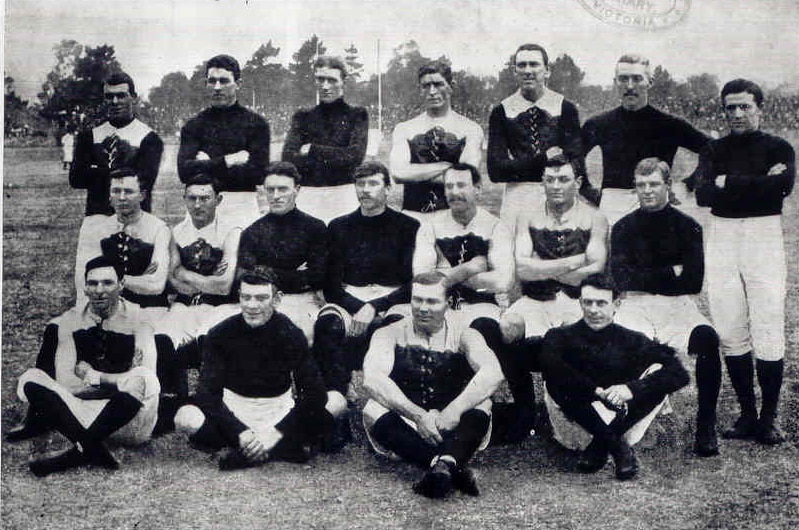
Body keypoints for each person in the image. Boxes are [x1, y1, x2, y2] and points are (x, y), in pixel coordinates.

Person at [695, 79, 795, 446]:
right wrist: (752, 183)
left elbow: (782, 187)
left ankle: (769, 418)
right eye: (730, 108)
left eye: (745, 107)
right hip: (722, 236)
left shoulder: (778, 147)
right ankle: (747, 413)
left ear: (760, 107)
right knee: (729, 323)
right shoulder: (713, 149)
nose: (737, 114)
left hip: (762, 236)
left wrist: (728, 183)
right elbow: (703, 194)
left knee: (767, 320)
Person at [174, 268, 345, 470]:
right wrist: (241, 432)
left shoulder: (291, 333)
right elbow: (207, 394)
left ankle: (252, 451)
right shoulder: (221, 333)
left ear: (277, 299)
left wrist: (275, 432)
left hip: (278, 412)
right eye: (246, 297)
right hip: (234, 413)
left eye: (261, 298)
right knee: (185, 417)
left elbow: (315, 394)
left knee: (337, 401)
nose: (251, 305)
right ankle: (279, 449)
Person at [7, 257, 160, 477]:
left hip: (131, 422)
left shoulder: (140, 320)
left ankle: (78, 451)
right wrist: (118, 383)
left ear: (121, 284)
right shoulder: (69, 321)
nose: (99, 290)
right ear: (85, 287)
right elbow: (67, 384)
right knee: (30, 379)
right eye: (93, 283)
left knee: (144, 376)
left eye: (107, 283)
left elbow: (146, 383)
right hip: (83, 415)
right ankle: (90, 448)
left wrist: (93, 376)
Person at [611, 157, 722, 456]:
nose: (647, 191)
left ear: (668, 185)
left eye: (654, 184)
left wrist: (645, 275)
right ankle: (626, 420)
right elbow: (620, 278)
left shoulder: (689, 227)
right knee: (624, 346)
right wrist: (668, 272)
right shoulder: (622, 227)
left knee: (708, 339)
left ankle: (705, 423)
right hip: (635, 304)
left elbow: (692, 283)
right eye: (641, 185)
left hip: (677, 306)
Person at [362, 271, 504, 498]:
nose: (423, 308)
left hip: (451, 421)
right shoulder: (388, 333)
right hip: (408, 418)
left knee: (483, 401)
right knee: (373, 407)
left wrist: (454, 410)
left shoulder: (466, 333)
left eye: (432, 301)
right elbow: (372, 378)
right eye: (417, 300)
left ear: (448, 303)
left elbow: (493, 372)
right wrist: (418, 416)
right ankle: (449, 463)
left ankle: (438, 464)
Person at [498, 156, 608, 440]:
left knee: (575, 343)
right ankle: (525, 410)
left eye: (563, 179)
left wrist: (541, 266)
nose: (555, 186)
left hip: (576, 302)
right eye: (549, 179)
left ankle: (570, 411)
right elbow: (522, 269)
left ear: (578, 182)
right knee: (507, 327)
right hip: (534, 301)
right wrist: (576, 260)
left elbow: (593, 270)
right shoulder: (528, 216)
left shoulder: (594, 217)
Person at [540, 274, 689, 481]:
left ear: (616, 304)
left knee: (658, 375)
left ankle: (602, 444)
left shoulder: (632, 339)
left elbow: (679, 373)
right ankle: (617, 447)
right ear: (580, 303)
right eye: (587, 302)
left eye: (601, 303)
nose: (593, 310)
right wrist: (597, 391)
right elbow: (551, 368)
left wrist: (632, 389)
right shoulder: (559, 336)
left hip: (624, 422)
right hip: (577, 425)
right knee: (557, 378)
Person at [312, 161, 419, 447]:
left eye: (373, 184)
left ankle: (396, 413)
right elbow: (331, 284)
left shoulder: (408, 226)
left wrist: (377, 306)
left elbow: (413, 282)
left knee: (401, 325)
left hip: (393, 299)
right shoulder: (338, 227)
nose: (366, 190)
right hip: (350, 300)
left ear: (388, 188)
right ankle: (337, 410)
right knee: (327, 324)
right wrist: (358, 306)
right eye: (361, 184)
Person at [582, 54, 711, 224]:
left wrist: (688, 184)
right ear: (615, 82)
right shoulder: (598, 123)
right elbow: (573, 156)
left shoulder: (670, 124)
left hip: (657, 204)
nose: (629, 86)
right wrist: (587, 189)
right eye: (623, 79)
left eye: (637, 79)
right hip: (614, 205)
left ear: (650, 82)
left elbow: (713, 149)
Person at [487, 43, 584, 229]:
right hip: (517, 200)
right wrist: (543, 160)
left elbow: (575, 162)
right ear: (514, 71)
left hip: (559, 195)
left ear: (547, 70)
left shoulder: (565, 108)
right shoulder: (502, 111)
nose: (527, 71)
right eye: (521, 65)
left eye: (534, 64)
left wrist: (517, 167)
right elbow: (496, 170)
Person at [237, 162, 327, 342]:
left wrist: (265, 270)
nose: (275, 196)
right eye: (270, 190)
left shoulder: (315, 228)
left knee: (297, 336)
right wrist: (297, 275)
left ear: (297, 189)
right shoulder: (252, 232)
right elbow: (246, 276)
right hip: (262, 299)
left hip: (302, 300)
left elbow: (317, 276)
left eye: (282, 189)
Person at [178, 54, 271, 229]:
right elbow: (184, 172)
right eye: (212, 81)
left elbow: (258, 174)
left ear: (238, 84)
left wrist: (206, 164)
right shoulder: (193, 125)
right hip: (202, 206)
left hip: (242, 207)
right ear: (206, 84)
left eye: (224, 81)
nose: (217, 87)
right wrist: (228, 161)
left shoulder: (256, 124)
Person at [412, 163, 514, 321]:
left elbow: (503, 282)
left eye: (461, 185)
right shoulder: (430, 227)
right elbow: (421, 279)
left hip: (482, 307)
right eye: (449, 186)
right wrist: (470, 268)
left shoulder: (496, 227)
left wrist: (444, 275)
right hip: (437, 307)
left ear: (477, 189)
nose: (454, 192)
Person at [389, 62, 483, 218]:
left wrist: (415, 173)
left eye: (438, 84)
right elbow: (398, 172)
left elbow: (466, 176)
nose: (432, 91)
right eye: (426, 85)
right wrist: (446, 166)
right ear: (420, 89)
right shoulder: (404, 128)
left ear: (451, 86)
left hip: (454, 217)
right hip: (413, 216)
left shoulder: (471, 128)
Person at [282, 56, 369, 224]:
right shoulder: (303, 116)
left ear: (344, 81)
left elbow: (355, 156)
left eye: (332, 80)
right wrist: (336, 156)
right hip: (308, 195)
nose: (325, 86)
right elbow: (288, 158)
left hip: (344, 195)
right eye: (320, 80)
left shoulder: (357, 115)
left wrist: (312, 150)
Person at [70, 72, 164, 216]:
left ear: (133, 98)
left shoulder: (149, 138)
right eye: (109, 96)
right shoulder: (89, 136)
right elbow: (76, 179)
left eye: (121, 95)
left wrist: (97, 170)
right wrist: (124, 169)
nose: (115, 101)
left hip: (136, 220)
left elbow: (144, 182)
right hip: (97, 218)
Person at [74, 170, 170, 310]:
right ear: (109, 195)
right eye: (116, 191)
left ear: (142, 196)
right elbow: (85, 280)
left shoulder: (158, 228)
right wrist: (136, 279)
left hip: (149, 310)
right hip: (108, 311)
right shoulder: (97, 229)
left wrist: (107, 279)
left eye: (129, 192)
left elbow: (156, 285)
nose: (122, 197)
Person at [167, 173, 242, 345]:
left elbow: (223, 286)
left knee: (208, 339)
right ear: (184, 199)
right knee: (164, 339)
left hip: (222, 307)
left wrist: (184, 273)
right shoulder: (176, 232)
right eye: (192, 198)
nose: (197, 205)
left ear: (218, 199)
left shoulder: (231, 231)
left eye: (205, 198)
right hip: (184, 306)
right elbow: (173, 282)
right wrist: (209, 280)